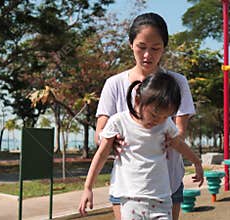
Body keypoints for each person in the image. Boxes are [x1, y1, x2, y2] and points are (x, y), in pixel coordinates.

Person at [93, 12, 196, 220]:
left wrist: (173, 140)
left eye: (155, 48)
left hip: (168, 180)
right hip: (128, 187)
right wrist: (110, 142)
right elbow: (100, 132)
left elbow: (181, 129)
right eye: (141, 47)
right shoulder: (114, 84)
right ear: (131, 44)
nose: (148, 55)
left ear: (164, 48)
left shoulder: (177, 83)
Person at [78, 72, 203, 219]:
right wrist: (88, 187)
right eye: (155, 115)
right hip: (130, 199)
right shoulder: (118, 122)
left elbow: (180, 145)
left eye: (165, 116)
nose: (159, 121)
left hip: (161, 198)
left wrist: (196, 162)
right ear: (137, 100)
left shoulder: (165, 124)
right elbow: (101, 155)